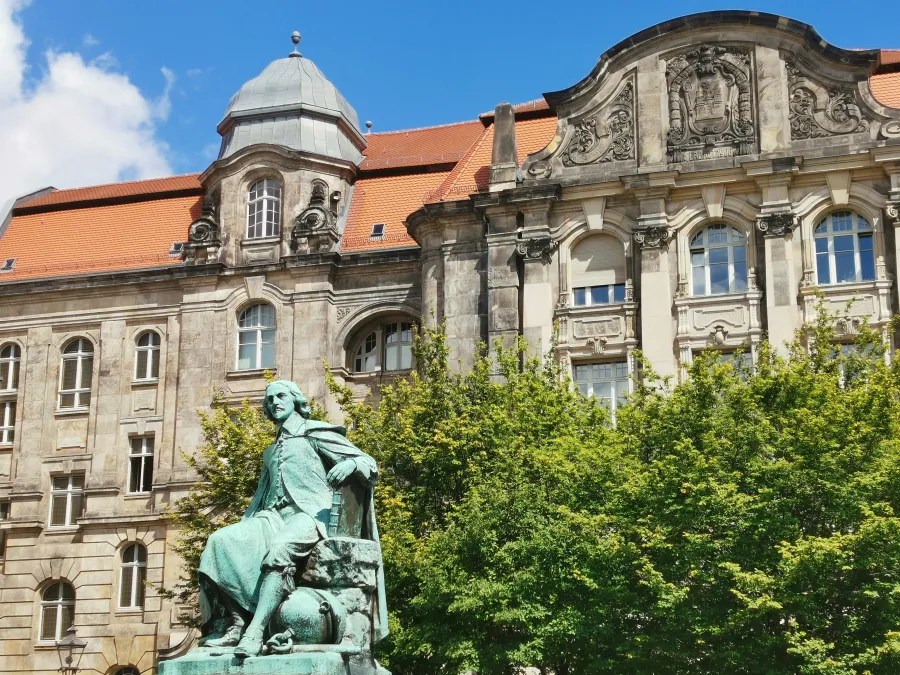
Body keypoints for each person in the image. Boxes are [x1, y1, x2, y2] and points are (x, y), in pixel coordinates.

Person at [196, 380, 387, 657]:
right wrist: (245, 524)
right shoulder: (270, 451)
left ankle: (256, 631)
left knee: (279, 549)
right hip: (272, 515)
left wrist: (350, 464)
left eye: (281, 396)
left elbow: (369, 464)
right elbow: (261, 495)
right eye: (270, 399)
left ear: (295, 400)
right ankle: (235, 623)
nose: (275, 402)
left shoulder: (315, 433)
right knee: (219, 542)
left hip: (310, 514)